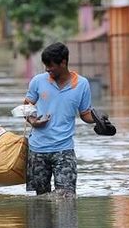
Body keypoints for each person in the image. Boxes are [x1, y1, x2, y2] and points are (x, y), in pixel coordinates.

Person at [23, 42, 94, 197]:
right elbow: (27, 105)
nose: (47, 69)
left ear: (63, 63)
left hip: (64, 149)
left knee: (67, 197)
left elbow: (85, 114)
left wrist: (98, 120)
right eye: (45, 65)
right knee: (41, 200)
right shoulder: (37, 81)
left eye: (51, 65)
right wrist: (32, 120)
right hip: (37, 150)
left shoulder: (82, 84)